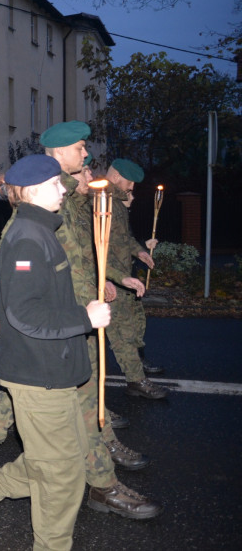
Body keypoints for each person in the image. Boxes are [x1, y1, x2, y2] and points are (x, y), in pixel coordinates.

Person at [0, 121, 161, 521]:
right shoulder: (44, 200)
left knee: (35, 393)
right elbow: (8, 260)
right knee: (67, 397)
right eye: (80, 149)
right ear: (58, 153)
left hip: (77, 312)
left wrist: (108, 279)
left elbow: (85, 254)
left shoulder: (70, 197)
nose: (86, 156)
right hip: (60, 318)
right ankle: (103, 483)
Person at [0, 154, 110, 550]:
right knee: (62, 479)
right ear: (30, 191)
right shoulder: (27, 237)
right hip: (38, 375)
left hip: (54, 371)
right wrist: (85, 318)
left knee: (63, 459)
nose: (64, 189)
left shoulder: (41, 229)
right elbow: (24, 312)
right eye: (55, 185)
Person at [106, 159, 166, 399]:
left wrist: (139, 251)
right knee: (121, 333)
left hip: (121, 277)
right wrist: (106, 278)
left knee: (126, 330)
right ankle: (136, 380)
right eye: (129, 181)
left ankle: (136, 376)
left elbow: (123, 238)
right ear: (118, 176)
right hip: (109, 278)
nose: (131, 187)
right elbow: (91, 245)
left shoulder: (117, 204)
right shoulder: (98, 201)